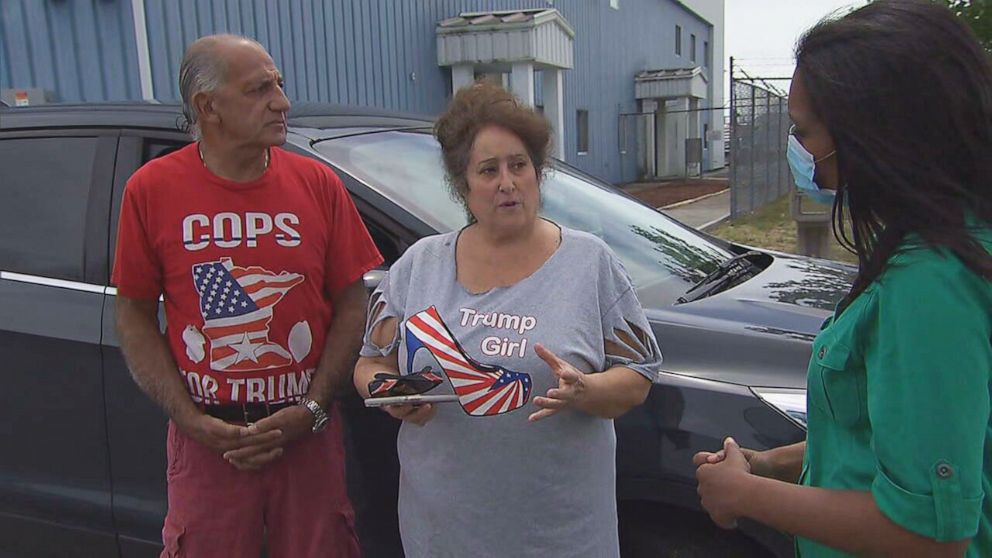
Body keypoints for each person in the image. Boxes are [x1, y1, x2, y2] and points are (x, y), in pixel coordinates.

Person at [693, 1, 992, 556]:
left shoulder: (931, 285)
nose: (799, 152)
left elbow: (927, 536)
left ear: (874, 135)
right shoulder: (939, 244)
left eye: (805, 132)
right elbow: (894, 439)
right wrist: (770, 464)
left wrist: (743, 495)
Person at [352, 81, 663, 557]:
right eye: (488, 170)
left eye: (519, 165)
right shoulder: (418, 265)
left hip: (558, 537)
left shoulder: (589, 263)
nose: (507, 182)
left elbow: (637, 377)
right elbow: (371, 363)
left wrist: (587, 391)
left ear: (537, 172)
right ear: (463, 185)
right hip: (443, 534)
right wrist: (391, 394)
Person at [113, 34, 382, 557]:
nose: (281, 101)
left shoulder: (318, 184)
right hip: (208, 441)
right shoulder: (151, 191)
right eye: (259, 90)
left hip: (306, 433)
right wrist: (191, 421)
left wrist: (313, 406)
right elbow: (134, 315)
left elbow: (354, 302)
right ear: (207, 106)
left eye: (278, 85)